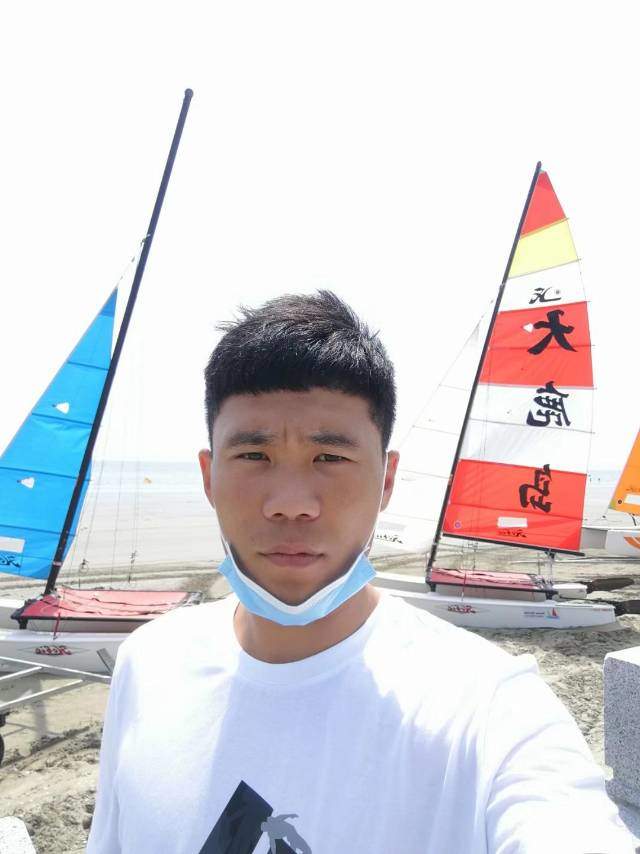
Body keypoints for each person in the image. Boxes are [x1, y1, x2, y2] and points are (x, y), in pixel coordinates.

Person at [87, 291, 634, 853]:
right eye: (253, 456)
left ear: (387, 480)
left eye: (330, 458)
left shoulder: (488, 709)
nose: (291, 503)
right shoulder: (149, 661)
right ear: (208, 476)